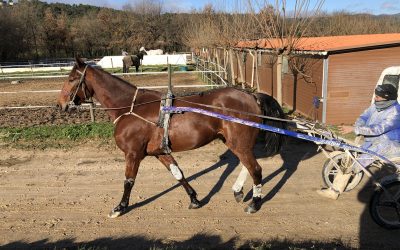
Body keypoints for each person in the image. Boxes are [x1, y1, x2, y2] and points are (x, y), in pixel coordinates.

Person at [317, 84, 400, 200]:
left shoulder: (395, 113)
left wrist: (354, 129)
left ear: (388, 98)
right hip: (374, 140)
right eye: (376, 96)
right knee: (351, 155)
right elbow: (364, 116)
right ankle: (341, 183)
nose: (376, 98)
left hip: (389, 145)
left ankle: (335, 191)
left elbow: (378, 129)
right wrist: (358, 125)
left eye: (379, 97)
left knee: (355, 163)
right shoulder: (377, 106)